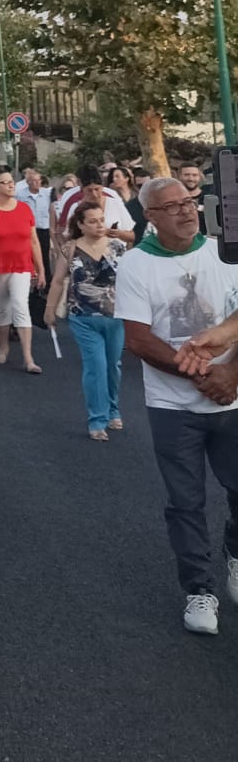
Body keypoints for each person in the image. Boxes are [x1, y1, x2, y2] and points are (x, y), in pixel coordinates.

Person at [114, 176, 238, 635]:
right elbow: (139, 339)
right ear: (151, 217)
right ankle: (199, 589)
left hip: (234, 396)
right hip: (173, 405)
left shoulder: (224, 252)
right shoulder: (135, 266)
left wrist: (232, 373)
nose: (186, 212)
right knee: (185, 501)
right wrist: (206, 375)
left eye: (189, 203)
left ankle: (235, 553)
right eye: (172, 207)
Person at [44, 198, 125, 441]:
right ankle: (97, 419)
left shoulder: (118, 246)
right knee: (95, 367)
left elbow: (132, 281)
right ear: (81, 224)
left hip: (115, 315)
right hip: (82, 316)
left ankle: (113, 408)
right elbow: (58, 280)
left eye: (101, 220)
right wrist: (49, 310)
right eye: (92, 221)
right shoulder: (70, 248)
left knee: (113, 366)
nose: (99, 225)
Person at [0, 168, 44, 372]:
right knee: (3, 308)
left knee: (20, 304)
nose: (11, 185)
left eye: (11, 181)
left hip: (21, 265)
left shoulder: (24, 209)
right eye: (5, 182)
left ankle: (28, 357)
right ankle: (3, 349)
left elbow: (34, 241)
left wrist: (41, 269)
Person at [15, 166, 53, 274]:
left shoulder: (47, 194)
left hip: (43, 229)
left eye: (38, 180)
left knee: (44, 256)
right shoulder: (20, 195)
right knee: (30, 257)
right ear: (28, 182)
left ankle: (47, 283)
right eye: (34, 181)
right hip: (28, 230)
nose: (37, 183)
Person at [108, 165, 146, 242]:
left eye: (117, 176)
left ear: (126, 178)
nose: (114, 179)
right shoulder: (112, 195)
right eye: (113, 177)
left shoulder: (136, 193)